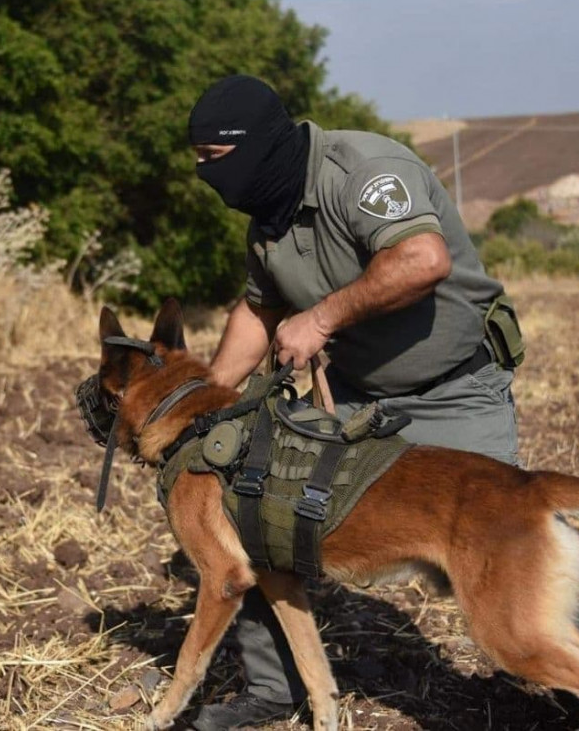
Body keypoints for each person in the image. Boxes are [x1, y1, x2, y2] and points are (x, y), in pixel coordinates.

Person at [186, 74, 524, 729]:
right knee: (253, 506)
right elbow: (258, 311)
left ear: (255, 146)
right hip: (360, 401)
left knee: (498, 546)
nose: (203, 175)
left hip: (454, 390)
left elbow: (421, 258)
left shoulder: (361, 170)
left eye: (212, 159)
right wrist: (203, 409)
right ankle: (272, 687)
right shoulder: (267, 219)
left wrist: (320, 318)